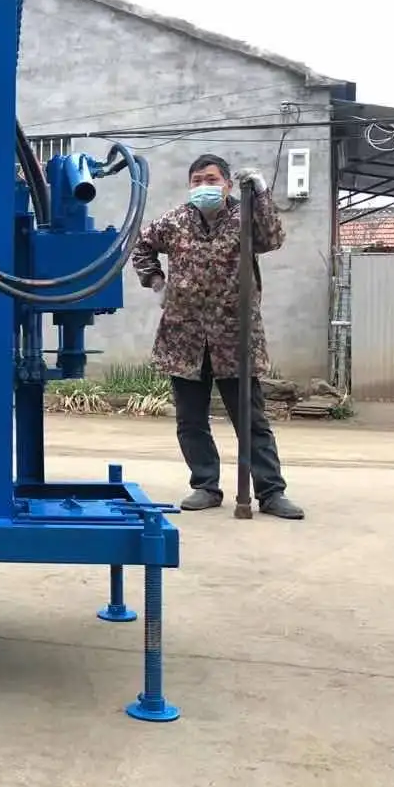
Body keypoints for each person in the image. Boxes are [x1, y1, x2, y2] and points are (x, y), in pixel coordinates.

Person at [130, 153, 304, 519]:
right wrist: (155, 280)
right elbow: (140, 244)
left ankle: (271, 493)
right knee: (191, 420)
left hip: (235, 336)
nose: (203, 186)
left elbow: (273, 238)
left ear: (227, 184)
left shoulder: (244, 217)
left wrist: (260, 193)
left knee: (251, 421)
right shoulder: (175, 221)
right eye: (196, 180)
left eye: (211, 179)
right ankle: (206, 485)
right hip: (184, 336)